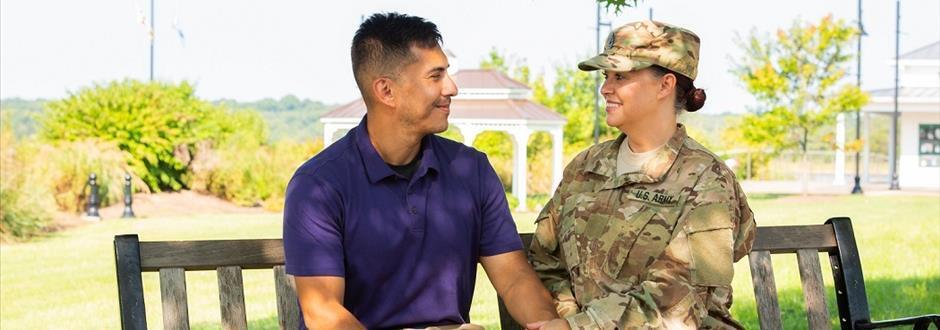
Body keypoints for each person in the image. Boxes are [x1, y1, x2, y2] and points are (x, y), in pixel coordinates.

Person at [282, 12, 557, 329]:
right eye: (435, 76)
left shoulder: (472, 170)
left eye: (447, 74)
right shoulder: (318, 186)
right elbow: (324, 313)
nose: (452, 88)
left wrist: (546, 322)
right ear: (386, 91)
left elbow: (514, 277)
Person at [527, 20, 756, 330]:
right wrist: (569, 315)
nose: (605, 88)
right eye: (607, 76)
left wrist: (580, 326)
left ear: (665, 85)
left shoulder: (707, 180)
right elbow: (546, 260)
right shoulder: (586, 167)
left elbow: (681, 300)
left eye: (620, 77)